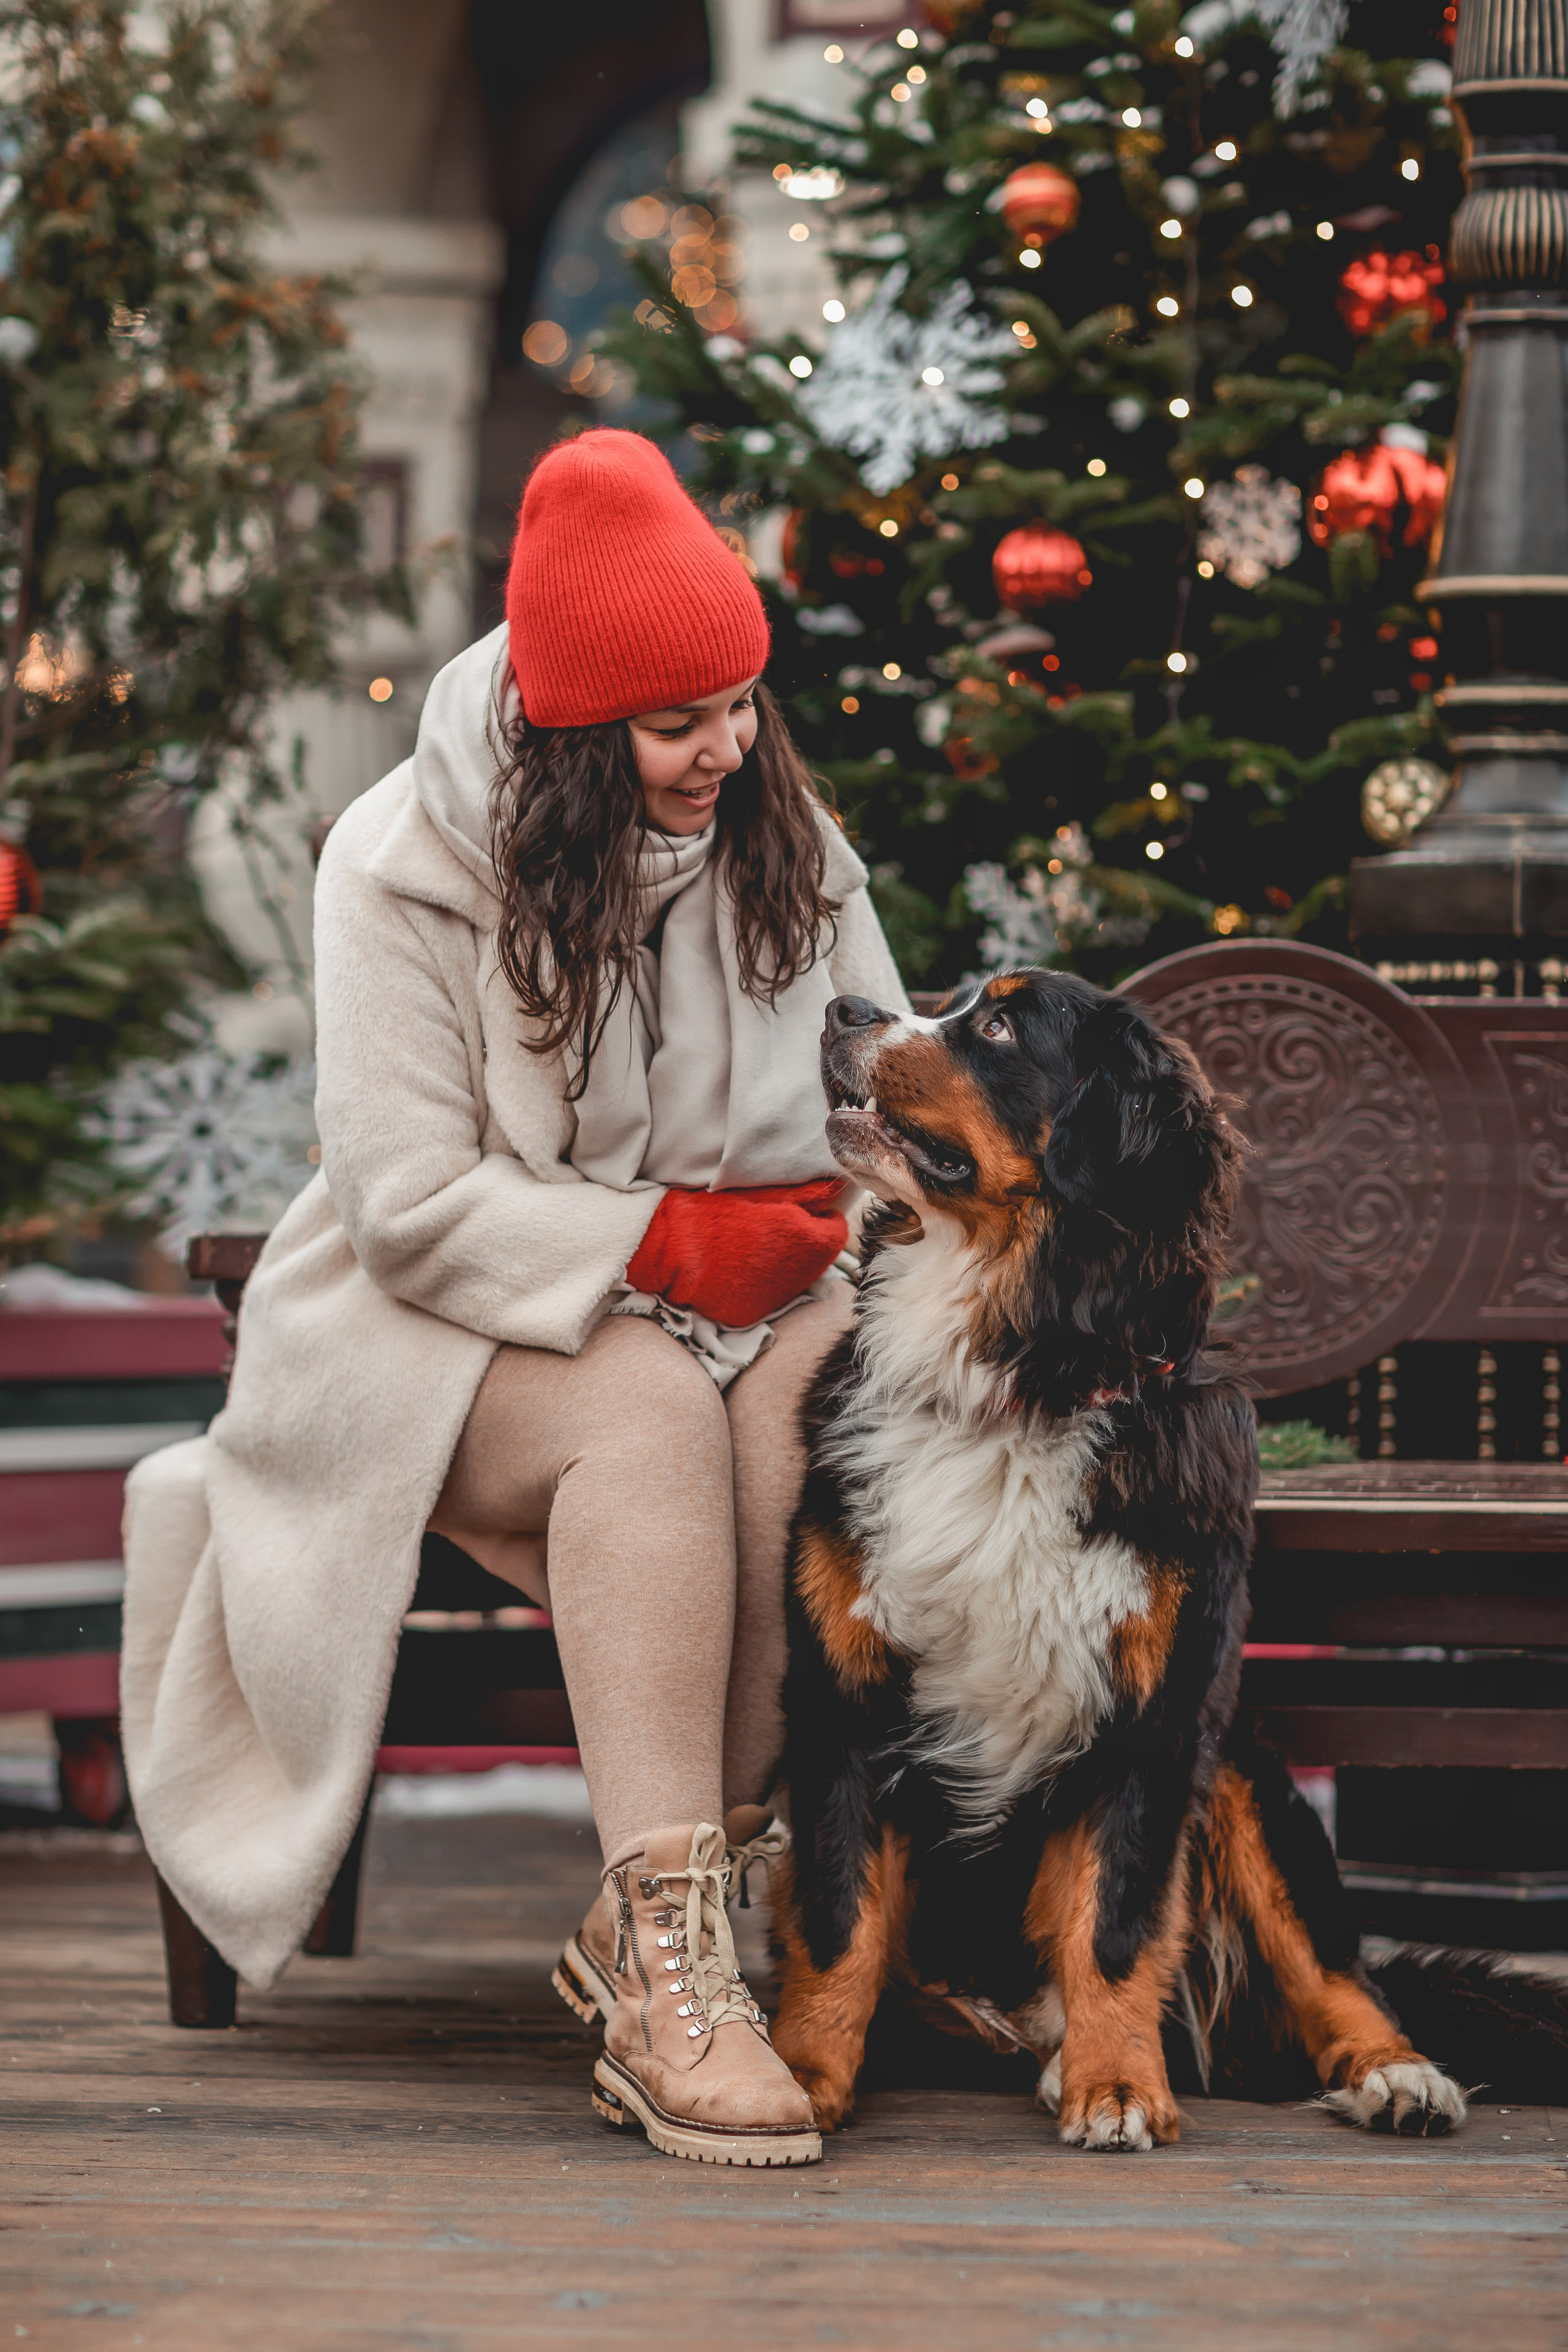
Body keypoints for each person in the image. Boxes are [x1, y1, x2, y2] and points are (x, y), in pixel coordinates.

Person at [121, 428, 910, 2169]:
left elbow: (873, 1106)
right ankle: (677, 1987)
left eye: (742, 706)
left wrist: (817, 1242)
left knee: (816, 1418)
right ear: (571, 738)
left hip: (743, 1299)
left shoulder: (780, 832)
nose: (726, 750)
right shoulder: (396, 861)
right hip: (432, 1322)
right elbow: (404, 1205)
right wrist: (660, 1248)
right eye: (676, 723)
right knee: (644, 1414)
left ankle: (675, 1918)